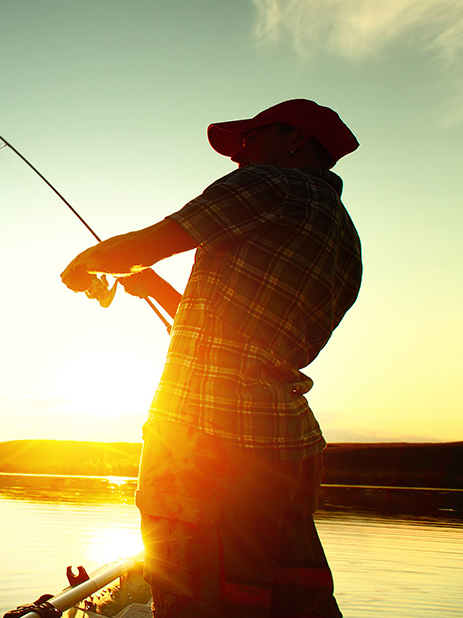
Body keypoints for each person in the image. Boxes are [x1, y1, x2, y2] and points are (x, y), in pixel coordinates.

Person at [60, 99, 362, 618]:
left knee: (196, 592)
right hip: (287, 446)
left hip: (205, 438)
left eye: (251, 139)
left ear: (294, 140)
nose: (239, 155)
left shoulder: (270, 184)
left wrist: (87, 261)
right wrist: (154, 288)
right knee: (284, 590)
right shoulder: (345, 235)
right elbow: (246, 338)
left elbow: (156, 240)